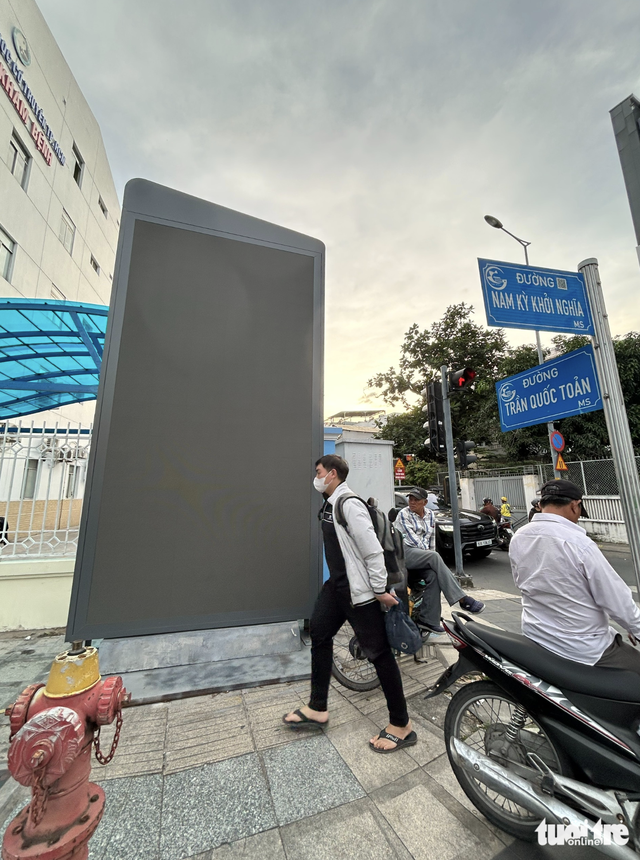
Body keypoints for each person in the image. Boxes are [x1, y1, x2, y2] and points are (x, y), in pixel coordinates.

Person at [283, 455, 417, 753]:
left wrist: (380, 589)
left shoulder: (348, 503)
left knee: (379, 654)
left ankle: (402, 724)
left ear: (331, 474)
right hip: (337, 589)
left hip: (360, 593)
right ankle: (318, 708)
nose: (315, 477)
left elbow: (372, 550)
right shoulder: (329, 504)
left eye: (318, 472)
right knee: (318, 634)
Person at [509, 479, 640, 674]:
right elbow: (616, 599)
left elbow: (522, 583)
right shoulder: (579, 543)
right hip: (583, 648)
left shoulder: (519, 537)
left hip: (536, 636)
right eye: (579, 511)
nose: (578, 517)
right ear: (574, 505)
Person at [395, 488, 484, 634]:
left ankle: (428, 620)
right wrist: (431, 557)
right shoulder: (403, 514)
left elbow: (431, 541)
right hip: (404, 553)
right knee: (434, 556)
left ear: (424, 502)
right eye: (410, 499)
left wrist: (432, 561)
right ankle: (462, 599)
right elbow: (413, 541)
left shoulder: (430, 515)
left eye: (416, 499)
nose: (412, 502)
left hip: (422, 555)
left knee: (434, 576)